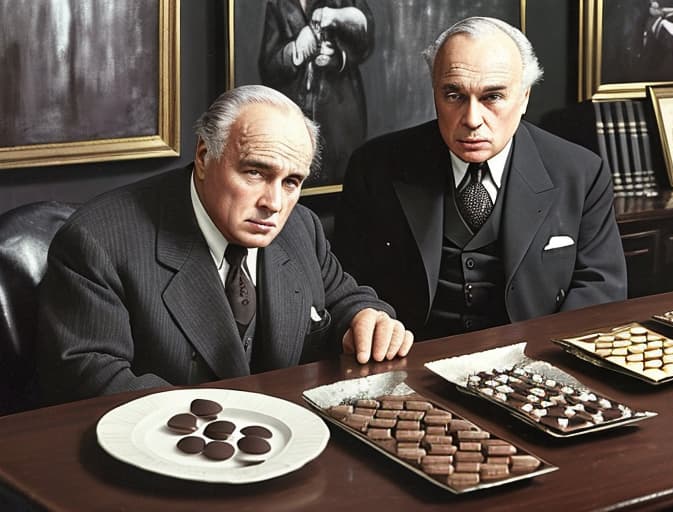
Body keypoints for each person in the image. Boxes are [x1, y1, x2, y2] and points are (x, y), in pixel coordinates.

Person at [36, 85, 412, 404]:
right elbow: (93, 377)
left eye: (291, 181)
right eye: (255, 172)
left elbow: (343, 298)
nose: (274, 203)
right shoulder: (99, 240)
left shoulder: (300, 228)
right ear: (204, 156)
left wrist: (367, 318)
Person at [333, 17, 627, 341]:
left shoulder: (581, 172)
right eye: (454, 95)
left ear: (524, 97)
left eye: (493, 97)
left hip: (532, 362)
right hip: (407, 362)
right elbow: (345, 285)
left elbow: (600, 288)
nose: (472, 120)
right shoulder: (374, 167)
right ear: (435, 91)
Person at [259, 0, 374, 187]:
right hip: (292, 120)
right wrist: (296, 50)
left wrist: (338, 58)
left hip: (340, 115)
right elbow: (268, 67)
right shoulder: (278, 4)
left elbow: (365, 42)